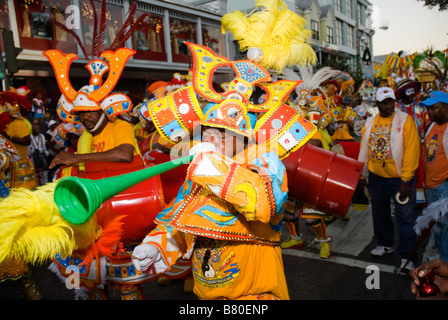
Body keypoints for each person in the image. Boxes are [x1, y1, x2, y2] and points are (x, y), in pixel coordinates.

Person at [358, 87, 421, 272]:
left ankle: (408, 256)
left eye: (391, 101)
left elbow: (412, 151)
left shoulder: (405, 120)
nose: (388, 106)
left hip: (399, 178)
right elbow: (364, 149)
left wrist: (406, 179)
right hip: (377, 178)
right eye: (384, 103)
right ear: (377, 104)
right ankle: (385, 244)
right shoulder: (370, 122)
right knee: (379, 213)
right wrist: (362, 174)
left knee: (406, 217)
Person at [420, 91, 448, 261]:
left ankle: (445, 260)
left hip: (443, 185)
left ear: (446, 107)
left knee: (445, 225)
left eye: (434, 108)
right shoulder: (432, 125)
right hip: (431, 184)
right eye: (428, 108)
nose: (429, 112)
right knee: (437, 222)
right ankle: (441, 253)